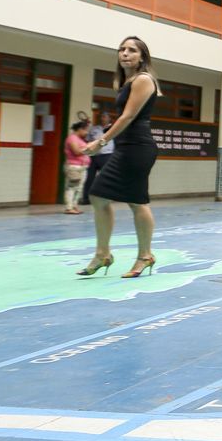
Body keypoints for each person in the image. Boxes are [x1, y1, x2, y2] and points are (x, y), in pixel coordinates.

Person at [77, 36, 161, 279]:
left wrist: (101, 141)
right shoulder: (127, 82)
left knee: (137, 201)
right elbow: (125, 117)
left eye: (132, 50)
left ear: (142, 57)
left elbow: (128, 117)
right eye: (122, 49)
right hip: (126, 146)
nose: (125, 53)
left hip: (138, 148)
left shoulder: (143, 79)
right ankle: (103, 253)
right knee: (98, 195)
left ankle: (145, 255)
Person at [80, 111, 114, 205]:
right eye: (101, 116)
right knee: (89, 178)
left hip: (107, 156)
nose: (102, 118)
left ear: (109, 118)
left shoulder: (113, 129)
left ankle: (106, 198)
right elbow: (87, 140)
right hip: (93, 157)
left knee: (106, 178)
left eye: (104, 116)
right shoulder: (94, 129)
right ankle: (86, 199)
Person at [62, 121, 91, 215]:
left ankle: (74, 206)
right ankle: (69, 208)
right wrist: (88, 148)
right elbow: (76, 152)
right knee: (71, 187)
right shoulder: (72, 138)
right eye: (85, 130)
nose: (87, 132)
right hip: (74, 166)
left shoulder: (80, 139)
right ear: (80, 129)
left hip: (82, 167)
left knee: (79, 188)